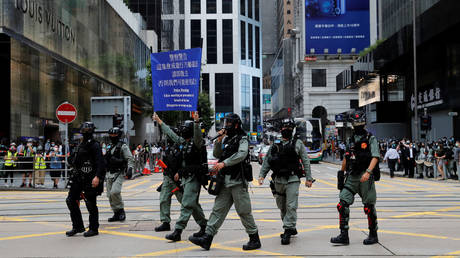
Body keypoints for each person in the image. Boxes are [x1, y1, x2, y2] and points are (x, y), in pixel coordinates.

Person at [189, 113, 261, 251]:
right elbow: (216, 154)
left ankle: (254, 238)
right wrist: (219, 140)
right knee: (218, 210)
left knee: (243, 211)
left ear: (236, 125)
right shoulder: (228, 140)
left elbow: (242, 154)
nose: (226, 126)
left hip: (237, 181)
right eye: (225, 123)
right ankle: (207, 238)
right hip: (225, 181)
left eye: (228, 123)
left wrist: (224, 163)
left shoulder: (242, 138)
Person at [258, 118, 314, 245]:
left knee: (291, 205)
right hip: (278, 180)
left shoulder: (298, 143)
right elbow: (267, 161)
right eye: (285, 128)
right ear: (281, 129)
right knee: (282, 206)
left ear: (293, 130)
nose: (287, 130)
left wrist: (309, 178)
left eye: (289, 128)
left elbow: (306, 161)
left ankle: (288, 230)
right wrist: (262, 175)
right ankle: (290, 226)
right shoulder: (275, 144)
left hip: (293, 179)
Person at [153, 113, 207, 242]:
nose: (182, 131)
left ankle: (178, 231)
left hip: (194, 178)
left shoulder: (197, 143)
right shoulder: (183, 142)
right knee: (192, 204)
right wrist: (160, 121)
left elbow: (198, 135)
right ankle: (205, 226)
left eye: (184, 128)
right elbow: (171, 134)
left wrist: (196, 122)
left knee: (187, 204)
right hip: (185, 178)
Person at [331, 110, 380, 245]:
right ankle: (344, 235)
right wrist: (341, 173)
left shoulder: (371, 138)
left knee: (368, 207)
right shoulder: (350, 140)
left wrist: (368, 172)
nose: (357, 125)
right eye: (355, 122)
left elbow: (375, 156)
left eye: (360, 122)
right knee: (342, 204)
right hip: (352, 176)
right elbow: (347, 158)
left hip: (365, 177)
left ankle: (373, 234)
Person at [66, 122, 105, 237]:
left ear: (92, 131)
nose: (85, 132)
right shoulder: (80, 144)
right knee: (71, 200)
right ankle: (77, 226)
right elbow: (73, 160)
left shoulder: (95, 145)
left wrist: (97, 176)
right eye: (84, 130)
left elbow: (100, 163)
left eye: (88, 130)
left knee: (91, 203)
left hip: (90, 178)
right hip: (78, 177)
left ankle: (94, 228)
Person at [105, 127, 134, 222]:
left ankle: (121, 211)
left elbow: (130, 158)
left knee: (115, 192)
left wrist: (130, 169)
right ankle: (116, 213)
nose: (112, 136)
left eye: (115, 135)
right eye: (111, 134)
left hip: (118, 172)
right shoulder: (108, 146)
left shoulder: (123, 146)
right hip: (109, 173)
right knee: (109, 195)